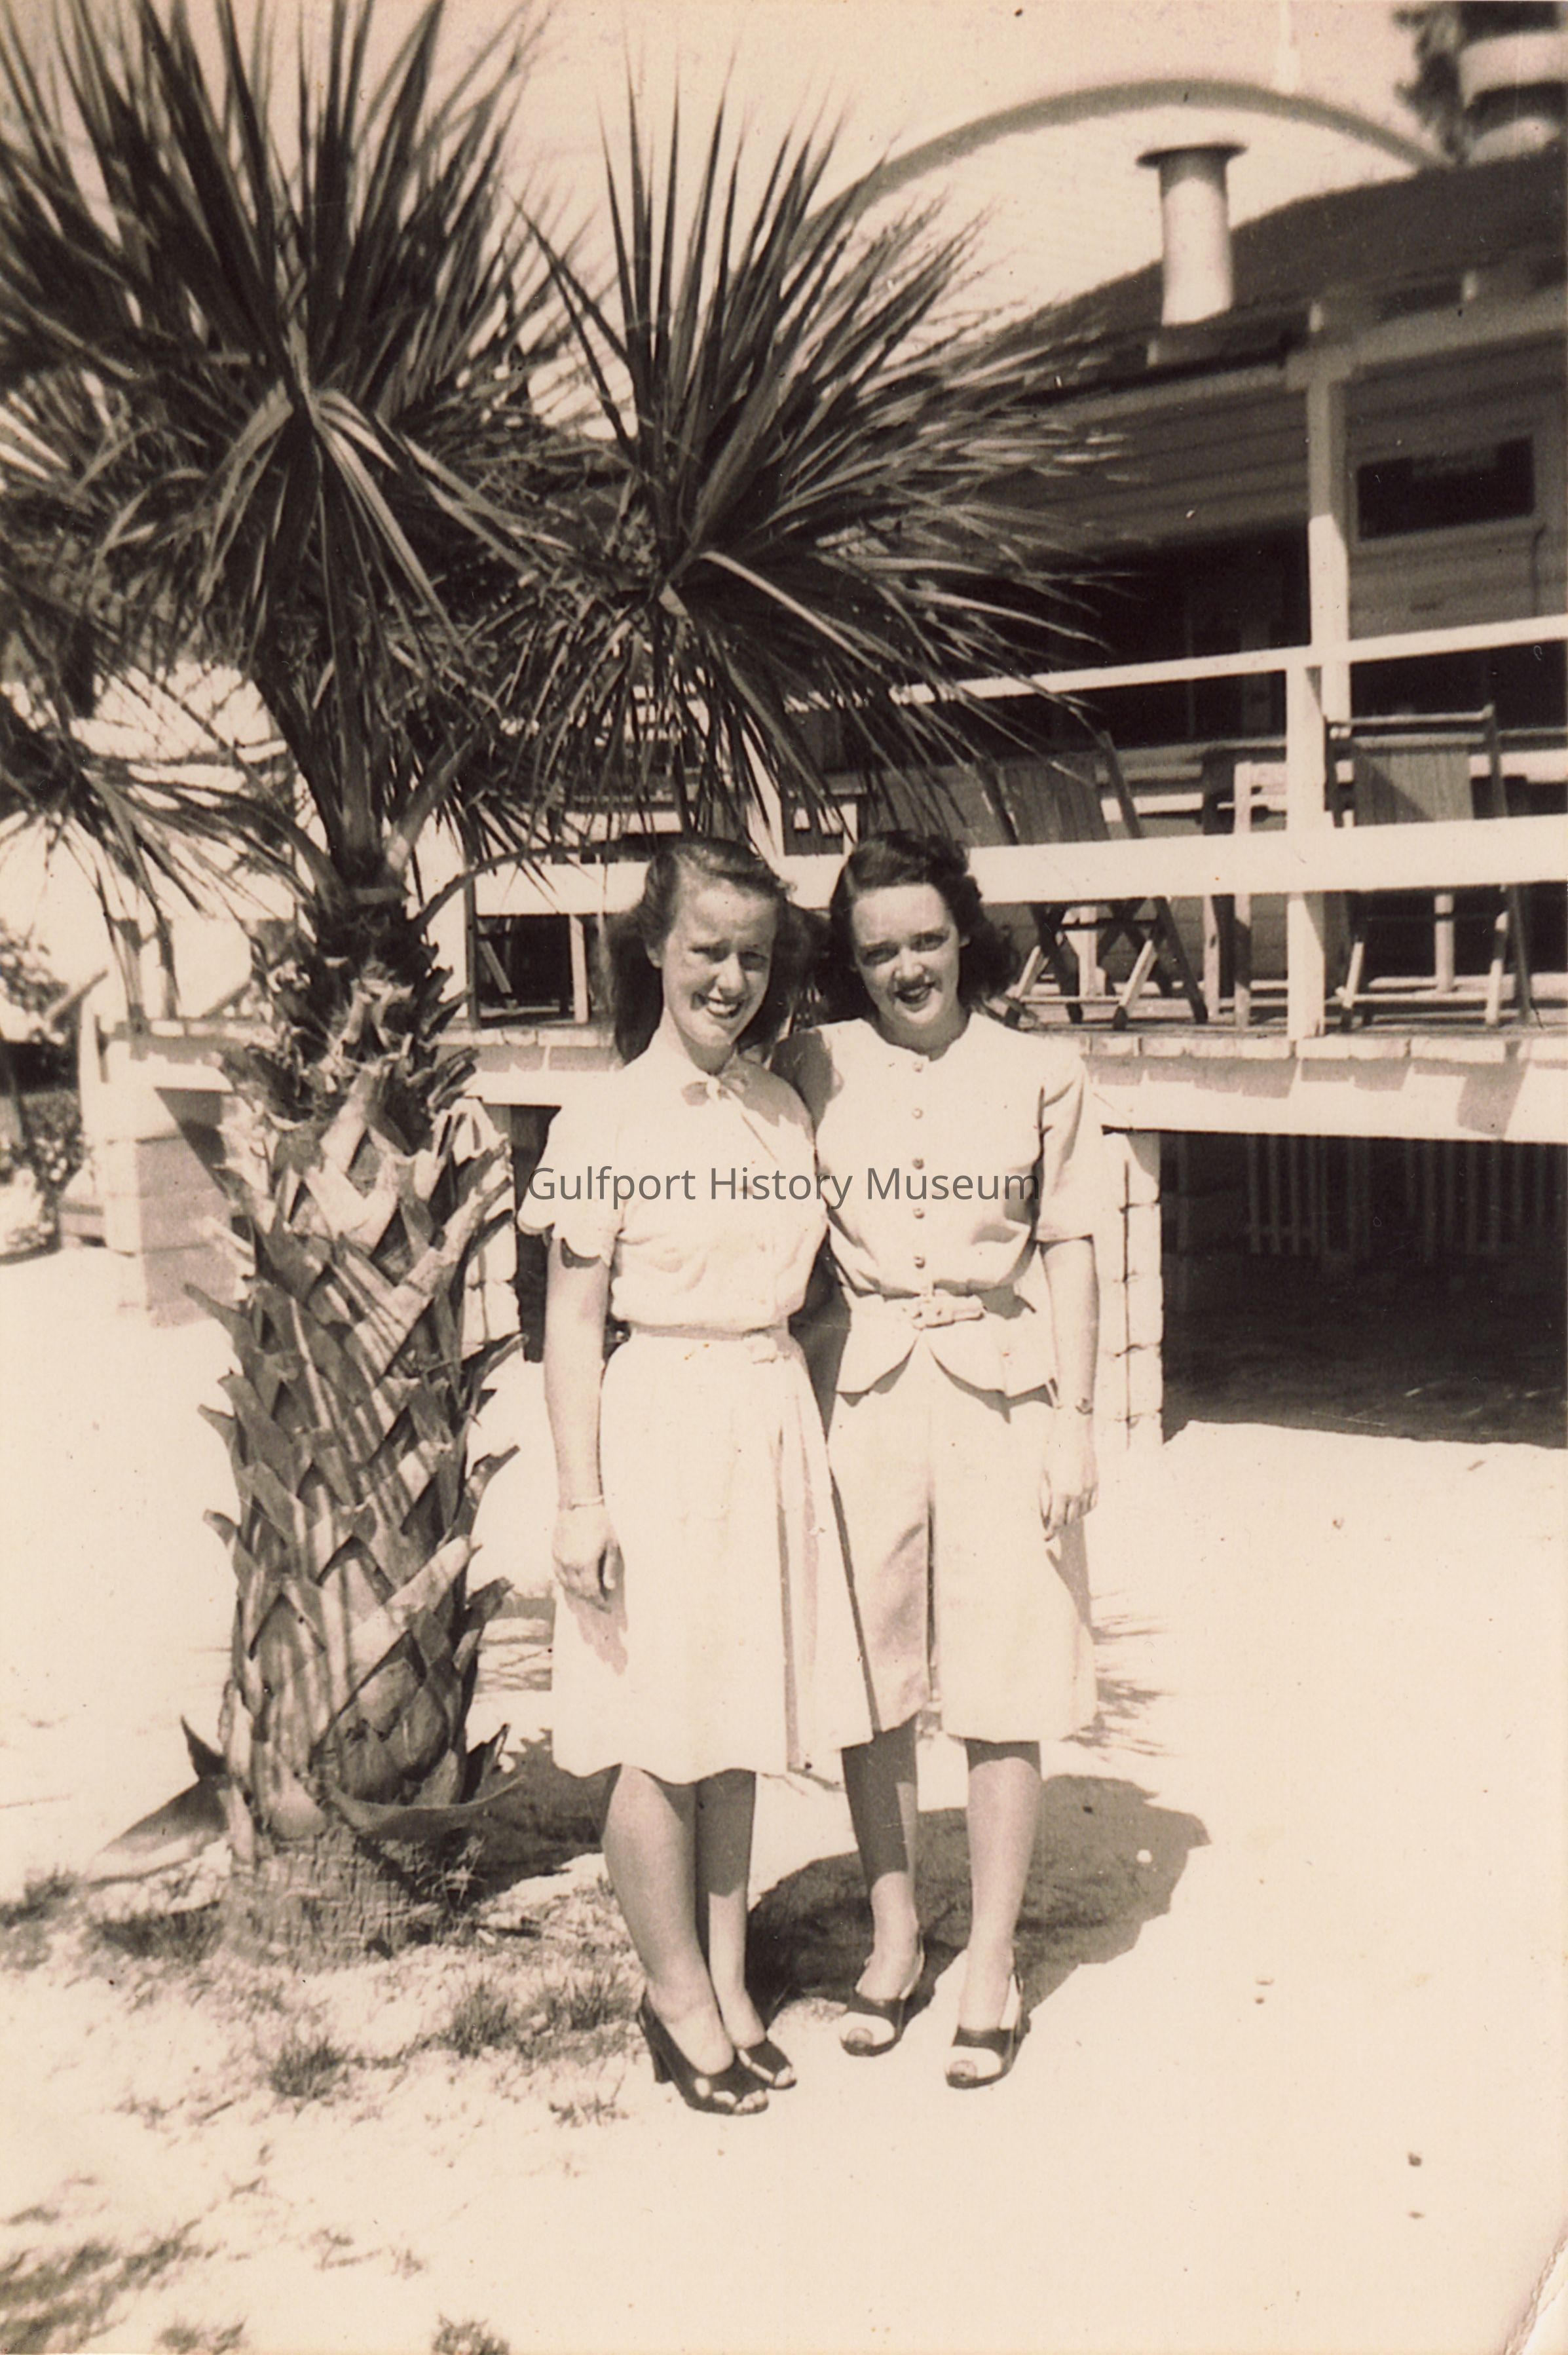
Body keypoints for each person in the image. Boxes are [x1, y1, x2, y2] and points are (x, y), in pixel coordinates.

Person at [517, 837, 871, 2118]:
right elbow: (571, 1322)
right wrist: (579, 1500)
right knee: (657, 1735)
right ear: (655, 950)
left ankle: (726, 1983)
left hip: (763, 1416)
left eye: (754, 957)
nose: (730, 978)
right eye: (708, 950)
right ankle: (673, 1999)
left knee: (734, 1728)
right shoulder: (603, 1120)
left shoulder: (780, 1109)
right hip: (660, 1424)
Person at [777, 830, 1104, 2089]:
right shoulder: (811, 1063)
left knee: (1004, 1676)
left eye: (926, 940)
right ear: (849, 962)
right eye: (879, 952)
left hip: (1002, 1395)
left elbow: (1070, 1241)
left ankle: (992, 1966)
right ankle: (897, 1939)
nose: (907, 968)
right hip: (861, 1394)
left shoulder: (1040, 1070)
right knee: (870, 1677)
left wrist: (1074, 1416)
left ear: (964, 933)